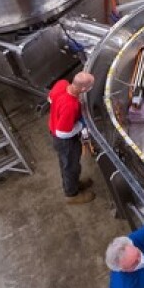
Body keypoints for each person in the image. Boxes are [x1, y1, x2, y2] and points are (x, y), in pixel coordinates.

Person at [47, 71, 95, 204]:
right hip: (64, 141)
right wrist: (81, 124)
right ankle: (71, 195)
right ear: (83, 89)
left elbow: (50, 98)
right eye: (90, 87)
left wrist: (58, 110)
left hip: (55, 130)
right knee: (70, 167)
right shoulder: (70, 105)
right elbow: (62, 132)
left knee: (67, 165)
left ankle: (73, 184)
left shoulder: (62, 84)